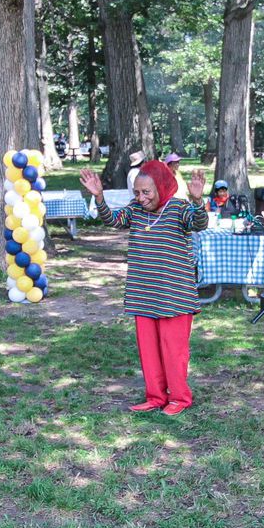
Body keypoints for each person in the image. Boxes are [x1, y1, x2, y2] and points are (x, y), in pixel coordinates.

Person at [79, 160, 208, 415]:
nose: (141, 197)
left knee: (174, 352)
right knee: (149, 352)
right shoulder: (135, 210)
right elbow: (113, 220)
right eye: (137, 192)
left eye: (146, 192)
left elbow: (199, 223)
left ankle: (179, 399)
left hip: (174, 295)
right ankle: (156, 396)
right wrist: (100, 197)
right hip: (144, 293)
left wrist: (197, 200)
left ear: (161, 187)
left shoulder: (178, 208)